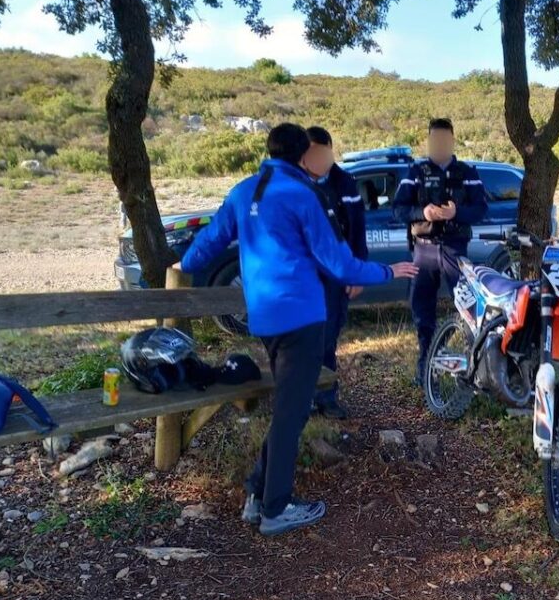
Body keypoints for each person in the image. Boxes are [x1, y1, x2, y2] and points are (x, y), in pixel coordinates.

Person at [178, 123, 418, 536]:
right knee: (292, 415)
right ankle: (276, 508)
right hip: (302, 319)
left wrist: (183, 265)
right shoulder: (301, 194)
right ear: (302, 153)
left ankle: (258, 492)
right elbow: (338, 264)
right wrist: (387, 269)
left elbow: (207, 244)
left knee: (288, 409)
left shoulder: (243, 191)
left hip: (266, 320)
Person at [392, 118, 487, 383]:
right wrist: (422, 212)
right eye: (436, 139)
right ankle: (425, 368)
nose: (440, 144)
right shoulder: (415, 172)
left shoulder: (468, 173)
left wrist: (457, 212)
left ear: (452, 140)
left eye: (445, 139)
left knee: (470, 310)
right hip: (424, 251)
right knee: (422, 311)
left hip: (456, 249)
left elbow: (481, 209)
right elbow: (398, 209)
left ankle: (473, 370)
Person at [300, 126, 367, 420]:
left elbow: (357, 232)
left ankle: (326, 397)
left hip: (334, 277)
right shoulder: (294, 183)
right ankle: (300, 399)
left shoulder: (345, 183)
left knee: (327, 338)